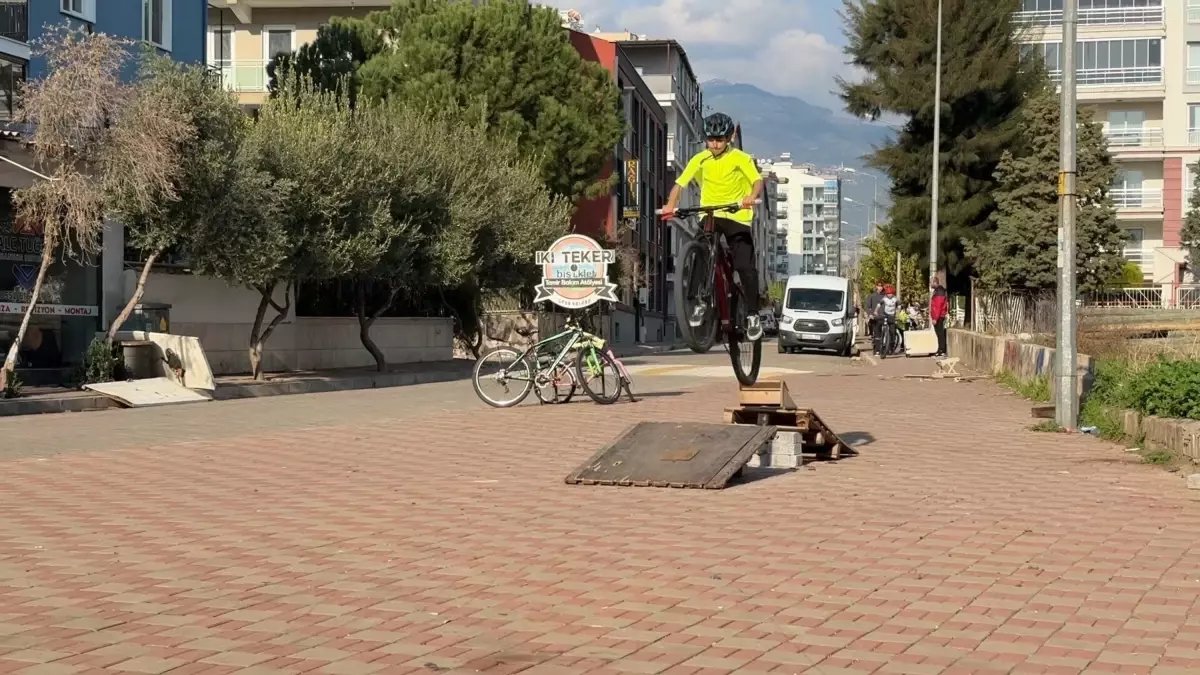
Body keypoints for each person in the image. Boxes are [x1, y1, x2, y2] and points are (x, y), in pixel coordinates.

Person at [661, 112, 765, 341]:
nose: (715, 144)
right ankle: (700, 300)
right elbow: (680, 184)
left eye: (720, 140)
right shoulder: (700, 159)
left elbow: (757, 181)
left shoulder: (740, 158)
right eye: (711, 139)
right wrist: (670, 205)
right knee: (700, 250)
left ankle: (752, 314)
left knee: (744, 265)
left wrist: (750, 196)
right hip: (710, 212)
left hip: (737, 215)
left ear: (728, 138)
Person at [873, 284, 899, 355]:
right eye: (888, 294)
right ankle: (884, 335)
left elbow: (899, 306)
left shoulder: (895, 298)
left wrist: (898, 313)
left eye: (891, 293)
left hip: (892, 316)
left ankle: (891, 347)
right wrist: (875, 311)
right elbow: (879, 305)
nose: (889, 295)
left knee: (892, 332)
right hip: (885, 314)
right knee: (882, 325)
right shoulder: (884, 298)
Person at [930, 280, 949, 357]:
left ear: (935, 282)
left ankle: (942, 350)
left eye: (931, 282)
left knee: (940, 333)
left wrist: (935, 318)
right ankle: (940, 349)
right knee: (939, 333)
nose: (930, 284)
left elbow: (938, 307)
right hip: (939, 316)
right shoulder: (937, 291)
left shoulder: (939, 292)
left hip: (939, 316)